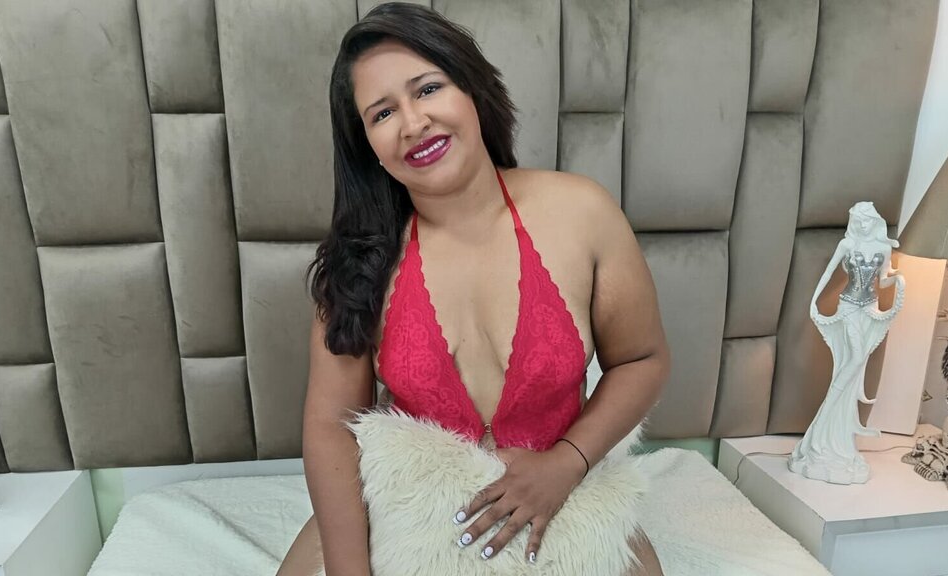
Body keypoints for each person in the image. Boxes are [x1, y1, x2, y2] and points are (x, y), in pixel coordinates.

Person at [278, 3, 669, 574]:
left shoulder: (582, 211)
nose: (413, 123)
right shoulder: (358, 261)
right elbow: (330, 428)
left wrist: (567, 462)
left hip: (564, 488)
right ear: (367, 144)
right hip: (408, 502)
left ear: (472, 91)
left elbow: (641, 359)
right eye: (383, 113)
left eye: (428, 89)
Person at [789, 202, 905, 484]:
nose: (862, 225)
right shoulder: (847, 244)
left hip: (869, 309)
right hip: (849, 307)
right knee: (854, 358)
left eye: (866, 220)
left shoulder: (884, 247)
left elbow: (882, 281)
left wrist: (898, 281)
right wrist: (814, 302)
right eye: (858, 220)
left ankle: (834, 434)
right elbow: (828, 273)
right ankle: (824, 423)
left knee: (855, 364)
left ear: (873, 221)